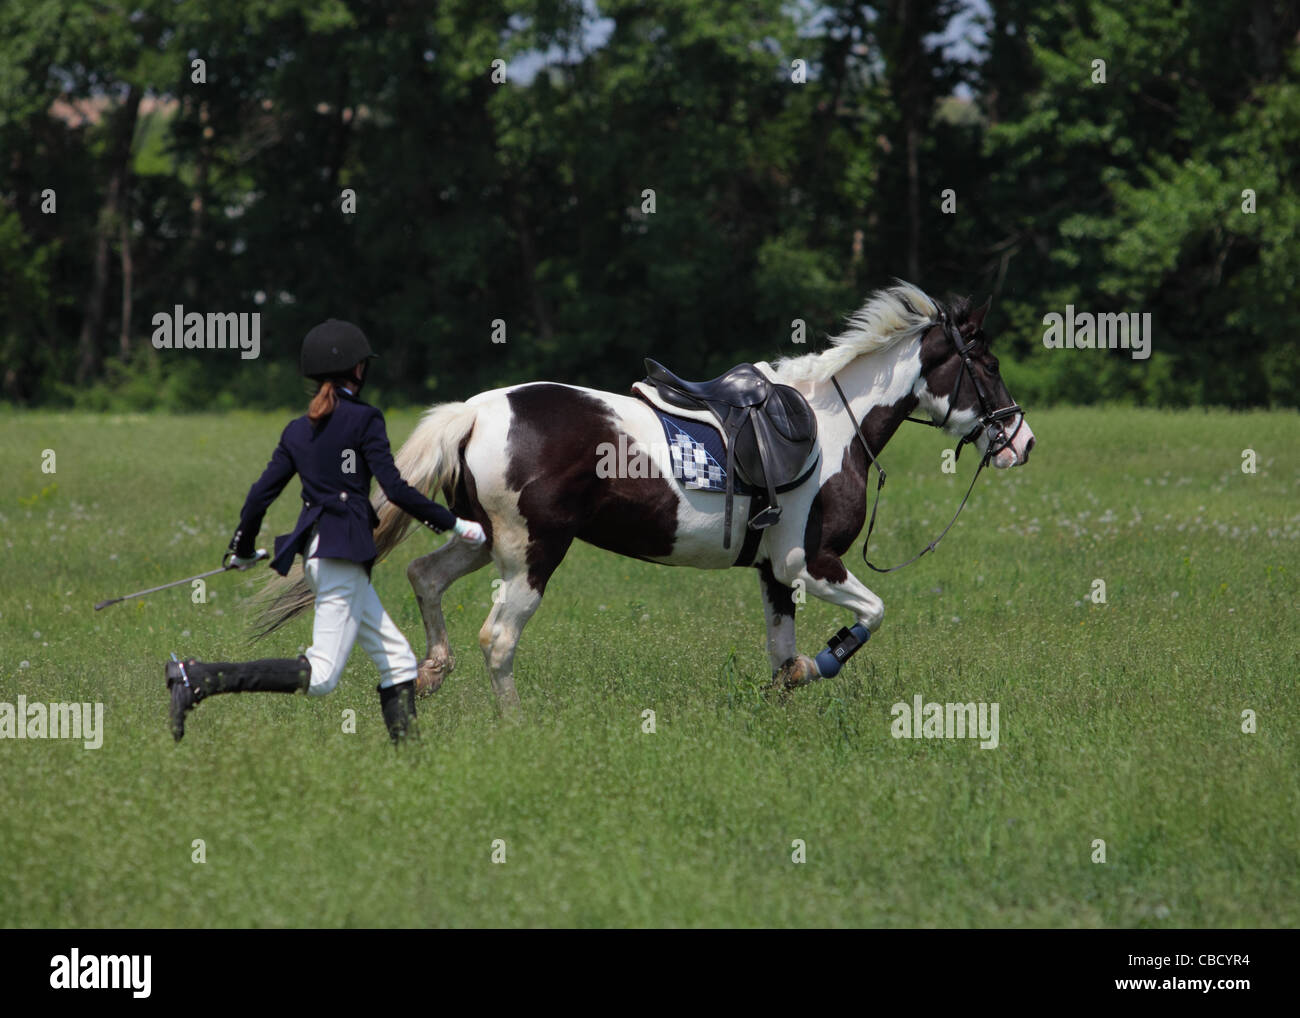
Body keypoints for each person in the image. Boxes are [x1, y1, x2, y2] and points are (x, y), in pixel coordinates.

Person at [164, 319, 486, 744]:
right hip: (341, 558)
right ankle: (198, 677)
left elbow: (260, 494)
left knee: (398, 662)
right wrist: (456, 524)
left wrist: (241, 549)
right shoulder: (365, 419)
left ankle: (412, 767)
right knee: (322, 675)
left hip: (320, 553)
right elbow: (393, 489)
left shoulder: (298, 429)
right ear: (358, 370)